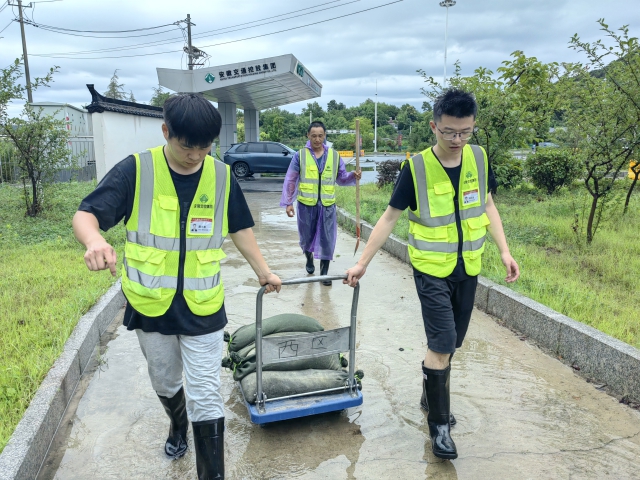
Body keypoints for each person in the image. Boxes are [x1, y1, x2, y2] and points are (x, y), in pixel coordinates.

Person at [72, 93, 281, 480]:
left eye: (205, 147)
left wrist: (263, 270)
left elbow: (240, 227)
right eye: (188, 146)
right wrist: (94, 240)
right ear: (167, 132)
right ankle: (176, 422)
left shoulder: (220, 175)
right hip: (152, 303)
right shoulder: (137, 170)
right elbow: (86, 213)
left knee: (206, 391)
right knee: (165, 380)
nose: (196, 156)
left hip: (203, 305)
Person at [344, 89, 519, 460]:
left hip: (468, 267)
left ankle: (429, 391)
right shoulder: (417, 168)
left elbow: (487, 204)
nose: (457, 140)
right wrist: (363, 262)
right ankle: (440, 429)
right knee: (441, 344)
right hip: (431, 272)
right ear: (434, 126)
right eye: (449, 132)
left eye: (465, 132)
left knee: (452, 343)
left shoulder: (479, 157)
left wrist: (504, 250)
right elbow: (390, 216)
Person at [280, 121, 361, 285]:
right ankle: (309, 259)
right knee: (306, 238)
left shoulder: (334, 156)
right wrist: (288, 202)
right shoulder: (300, 155)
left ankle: (324, 274)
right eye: (314, 136)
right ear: (308, 136)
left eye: (320, 136)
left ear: (325, 136)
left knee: (327, 239)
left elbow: (341, 178)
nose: (317, 139)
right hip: (306, 206)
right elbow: (291, 179)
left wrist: (353, 175)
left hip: (327, 206)